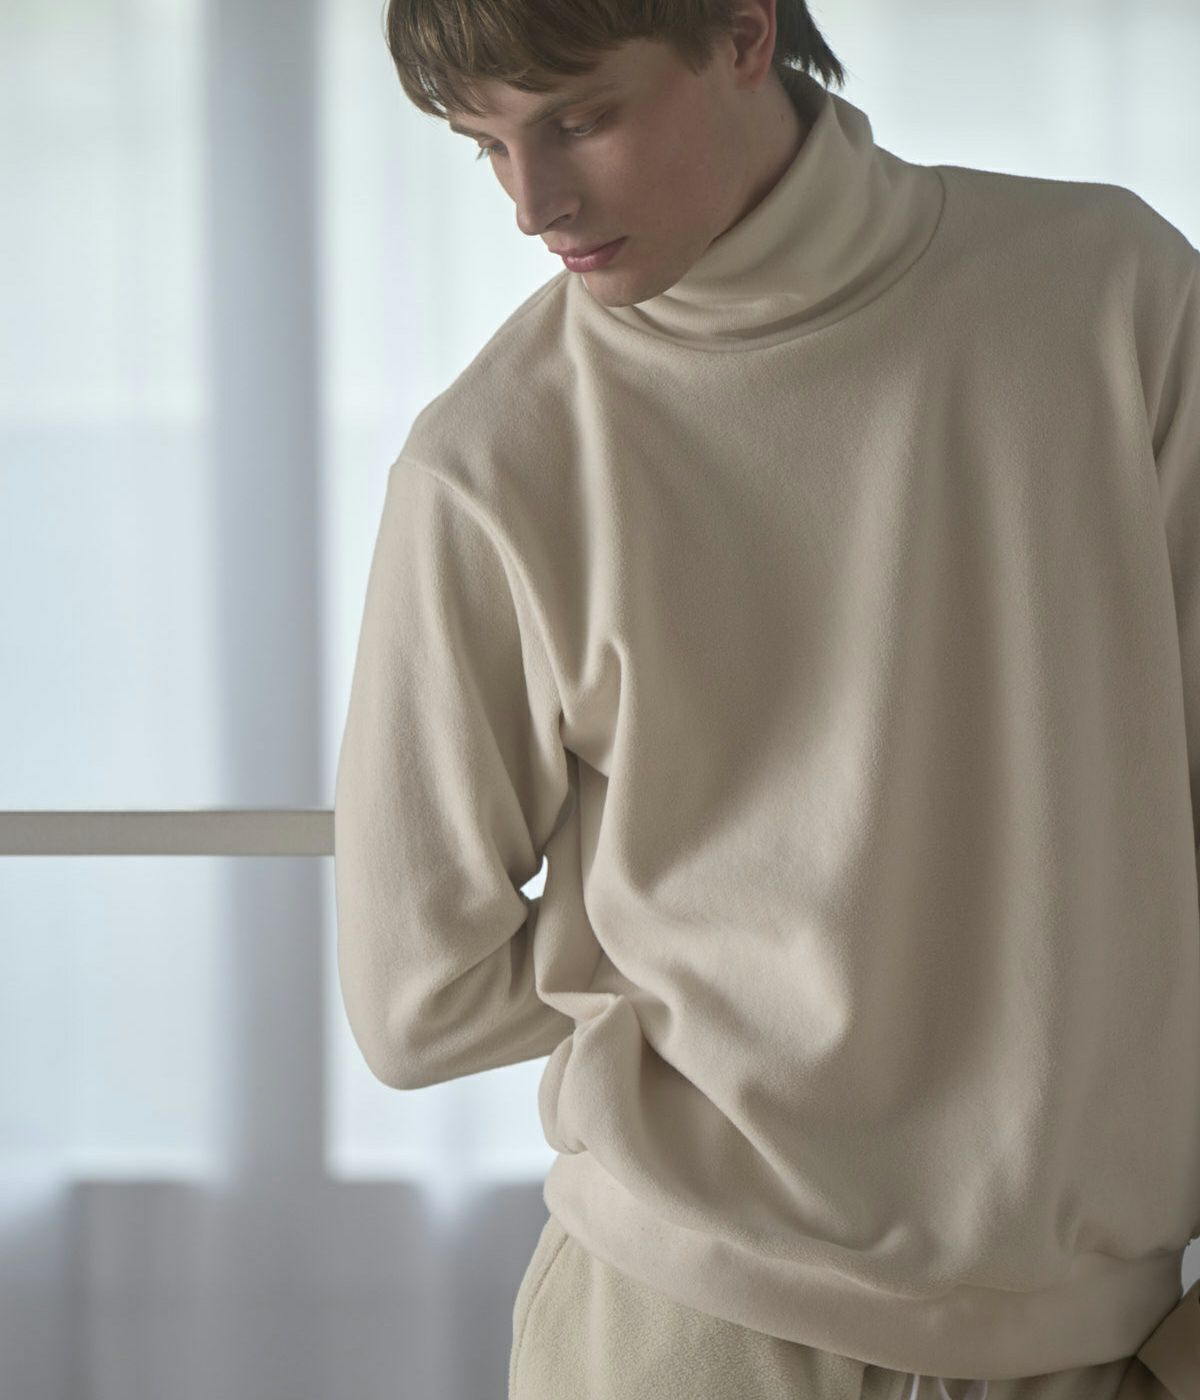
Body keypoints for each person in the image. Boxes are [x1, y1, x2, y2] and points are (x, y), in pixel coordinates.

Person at [331, 0, 1200, 1395]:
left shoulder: (1118, 298)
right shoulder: (490, 460)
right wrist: (744, 982)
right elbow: (412, 1000)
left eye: (579, 120)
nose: (533, 204)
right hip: (683, 1335)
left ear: (743, 32)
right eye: (483, 147)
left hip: (1100, 1344)